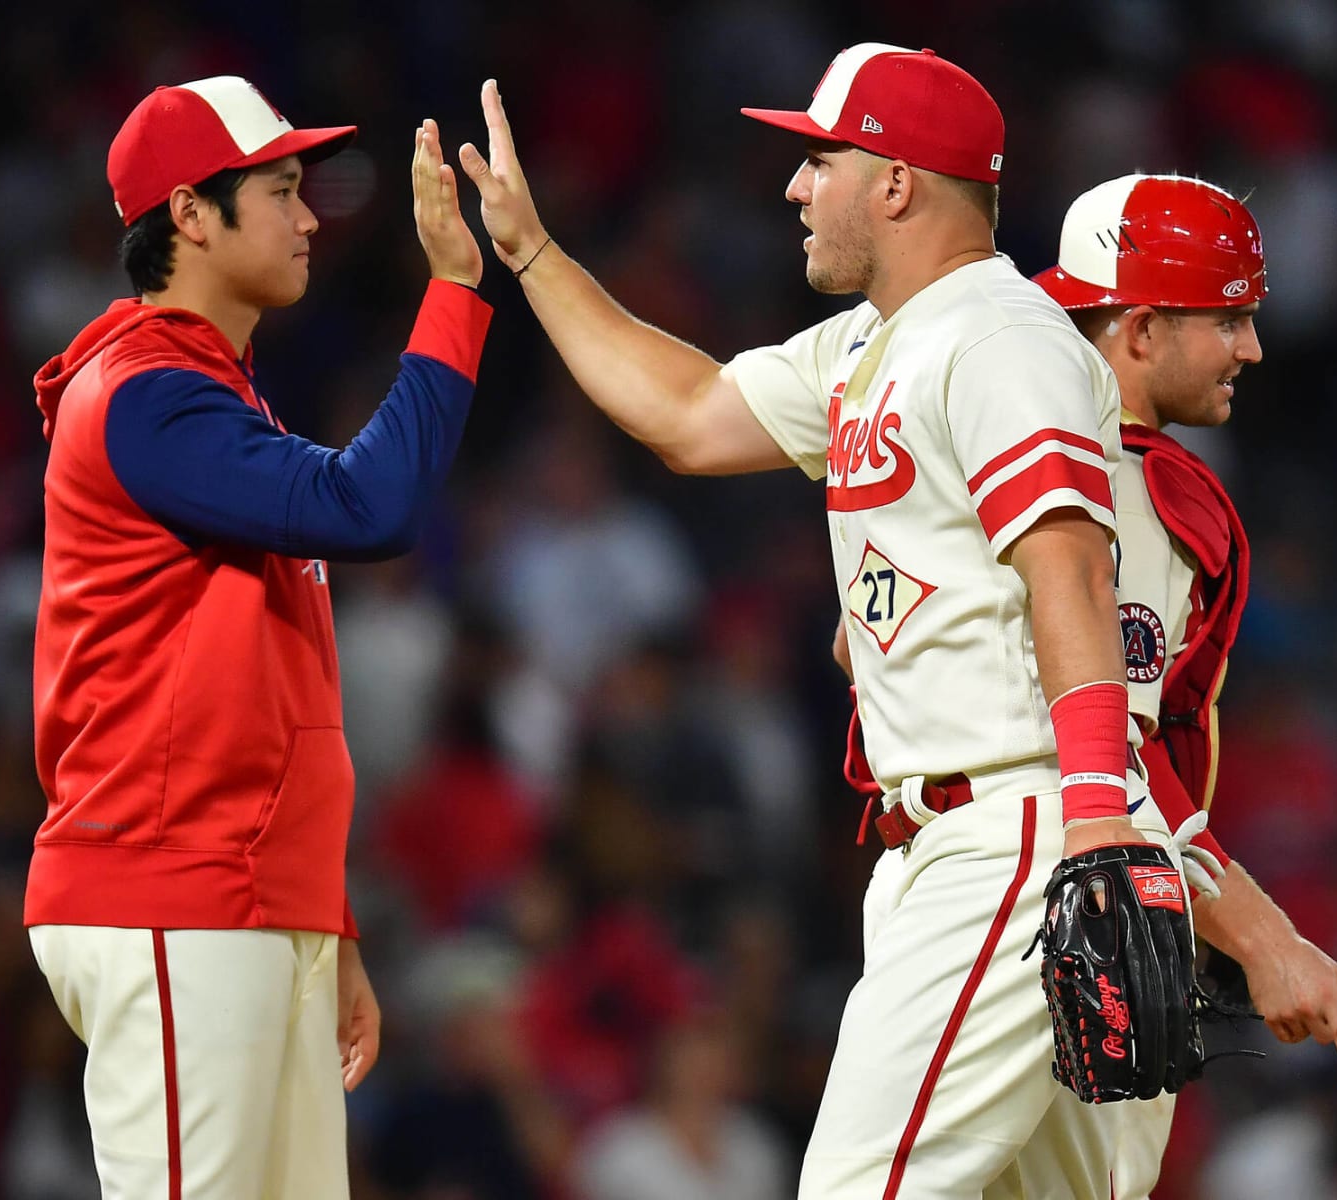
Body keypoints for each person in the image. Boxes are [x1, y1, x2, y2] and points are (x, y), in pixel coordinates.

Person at [461, 42, 1155, 1199]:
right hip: (961, 832)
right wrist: (531, 254)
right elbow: (685, 412)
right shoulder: (873, 343)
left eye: (819, 157)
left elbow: (1070, 574)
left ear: (894, 182)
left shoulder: (999, 336)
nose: (793, 185)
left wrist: (1093, 820)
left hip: (1020, 824)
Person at [23, 75, 489, 1198]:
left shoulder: (208, 399)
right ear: (189, 214)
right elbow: (369, 507)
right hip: (168, 891)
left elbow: (271, 698)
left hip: (241, 901)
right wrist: (457, 291)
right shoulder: (141, 393)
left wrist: (319, 919)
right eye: (280, 189)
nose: (308, 216)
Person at [1032, 173, 1337, 1198]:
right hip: (1066, 900)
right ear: (1137, 327)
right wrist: (1269, 942)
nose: (1252, 349)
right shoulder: (1131, 485)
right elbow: (1112, 752)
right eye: (1229, 319)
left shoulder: (989, 449)